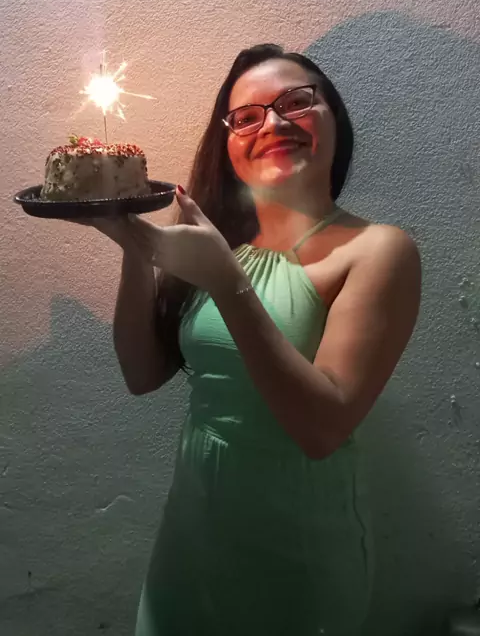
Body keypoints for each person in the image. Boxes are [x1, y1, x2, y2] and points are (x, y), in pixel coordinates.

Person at [76, 44, 421, 636]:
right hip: (189, 544)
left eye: (296, 102)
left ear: (335, 118)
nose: (274, 124)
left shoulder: (379, 250)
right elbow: (142, 374)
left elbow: (321, 429)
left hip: (298, 560)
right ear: (228, 145)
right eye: (247, 116)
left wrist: (227, 282)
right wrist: (134, 243)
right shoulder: (219, 243)